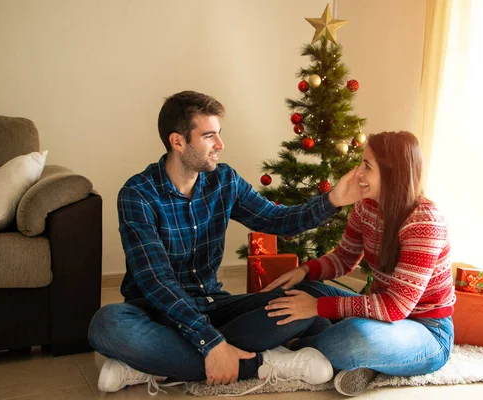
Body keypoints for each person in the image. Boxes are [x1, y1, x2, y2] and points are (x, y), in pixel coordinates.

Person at [87, 90, 362, 395]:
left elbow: (277, 220)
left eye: (219, 134)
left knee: (305, 296)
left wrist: (334, 199)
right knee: (108, 324)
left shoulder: (225, 181)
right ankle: (261, 362)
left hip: (214, 305)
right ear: (178, 141)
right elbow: (157, 282)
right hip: (156, 311)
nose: (220, 145)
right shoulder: (137, 194)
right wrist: (211, 343)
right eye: (209, 136)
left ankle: (148, 364)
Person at [261, 131, 456, 397]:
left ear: (392, 174)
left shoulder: (424, 221)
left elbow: (396, 307)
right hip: (380, 316)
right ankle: (367, 364)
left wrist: (316, 308)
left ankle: (293, 349)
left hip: (427, 331)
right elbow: (343, 259)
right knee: (306, 291)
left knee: (354, 337)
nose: (358, 172)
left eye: (367, 166)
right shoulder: (366, 208)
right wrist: (304, 270)